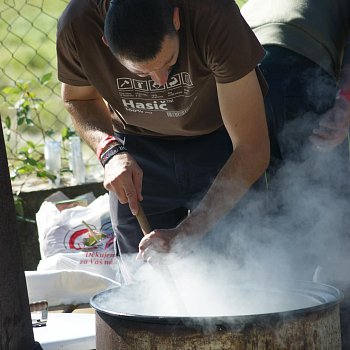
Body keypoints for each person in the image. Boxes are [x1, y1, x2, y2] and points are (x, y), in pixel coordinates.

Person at [56, 0, 269, 270]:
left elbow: (251, 149)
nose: (160, 80)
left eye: (168, 62)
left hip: (220, 142)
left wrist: (187, 232)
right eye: (140, 72)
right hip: (136, 148)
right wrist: (110, 151)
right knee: (143, 279)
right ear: (106, 43)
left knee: (243, 268)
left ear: (177, 20)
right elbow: (78, 99)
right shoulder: (78, 24)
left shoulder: (212, 14)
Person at [241, 1, 350, 347]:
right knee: (330, 218)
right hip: (298, 64)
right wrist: (344, 105)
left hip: (240, 68)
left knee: (266, 217)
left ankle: (276, 329)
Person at [241, 0, 350, 173]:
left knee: (257, 195)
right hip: (296, 65)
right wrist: (345, 102)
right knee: (323, 193)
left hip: (237, 78)